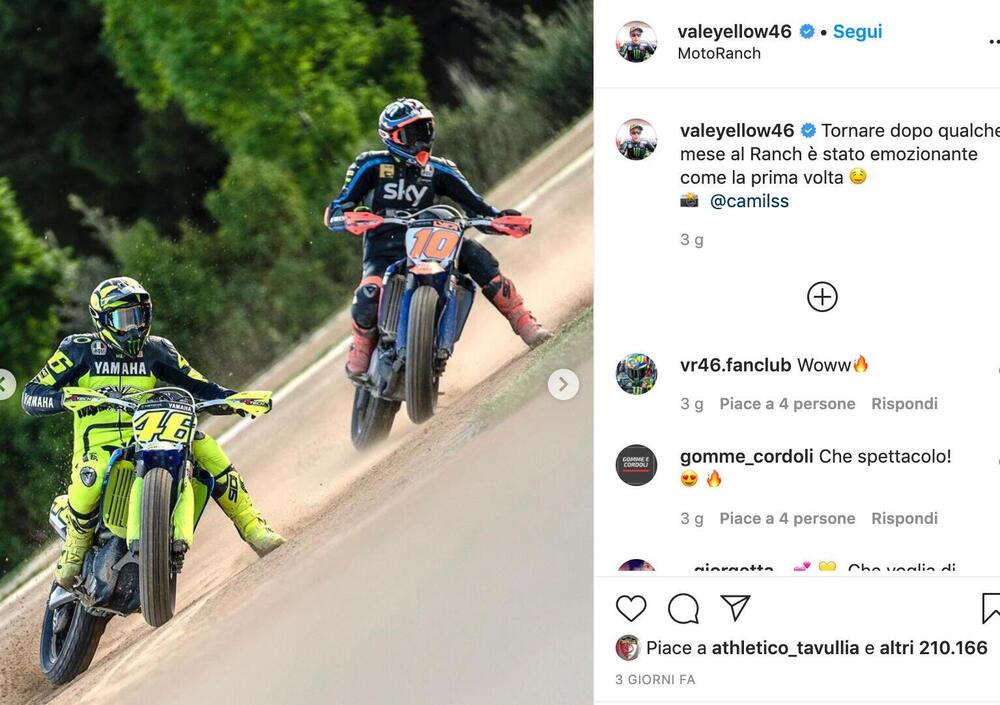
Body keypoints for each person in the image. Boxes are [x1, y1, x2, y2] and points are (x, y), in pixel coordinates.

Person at [22, 277, 285, 587]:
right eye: (124, 319)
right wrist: (64, 398)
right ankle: (75, 550)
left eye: (139, 316)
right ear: (102, 320)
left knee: (205, 446)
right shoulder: (78, 350)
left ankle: (253, 527)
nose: (134, 327)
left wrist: (233, 400)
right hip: (98, 443)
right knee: (91, 479)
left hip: (148, 433)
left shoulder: (158, 350)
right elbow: (31, 394)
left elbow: (202, 387)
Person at [324, 97, 551, 377]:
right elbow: (336, 209)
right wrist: (348, 217)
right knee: (366, 296)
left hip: (435, 242)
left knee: (477, 256)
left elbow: (479, 209)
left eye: (425, 130)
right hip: (384, 250)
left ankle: (524, 321)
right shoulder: (370, 165)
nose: (421, 141)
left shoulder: (441, 169)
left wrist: (501, 220)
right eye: (411, 133)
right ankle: (360, 348)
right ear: (392, 137)